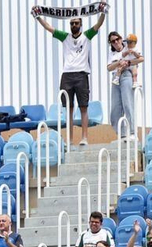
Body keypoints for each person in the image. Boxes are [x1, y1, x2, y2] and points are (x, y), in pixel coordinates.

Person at [34, 7, 105, 145]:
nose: (74, 25)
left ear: (81, 24)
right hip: (67, 75)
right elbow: (49, 28)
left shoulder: (86, 36)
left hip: (81, 75)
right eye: (71, 23)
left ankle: (84, 138)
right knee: (69, 108)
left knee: (83, 107)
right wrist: (38, 17)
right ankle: (70, 139)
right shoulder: (65, 37)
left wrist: (103, 12)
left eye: (76, 23)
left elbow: (99, 24)